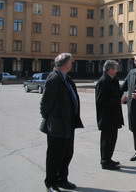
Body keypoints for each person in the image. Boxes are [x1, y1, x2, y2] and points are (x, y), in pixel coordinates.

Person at [40, 53, 83, 192]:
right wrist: (52, 119)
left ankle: (62, 179)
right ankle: (51, 183)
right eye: (71, 62)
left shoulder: (66, 78)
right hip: (57, 125)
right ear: (65, 64)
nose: (72, 64)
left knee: (67, 153)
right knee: (55, 155)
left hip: (68, 123)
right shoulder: (54, 78)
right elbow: (45, 104)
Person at [95, 60, 124, 170]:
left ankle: (108, 158)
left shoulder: (113, 80)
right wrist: (117, 101)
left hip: (114, 116)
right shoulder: (103, 81)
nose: (117, 70)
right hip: (106, 117)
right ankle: (105, 161)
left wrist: (123, 98)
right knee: (106, 140)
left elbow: (117, 94)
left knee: (112, 139)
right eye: (115, 68)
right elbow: (100, 100)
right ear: (110, 70)